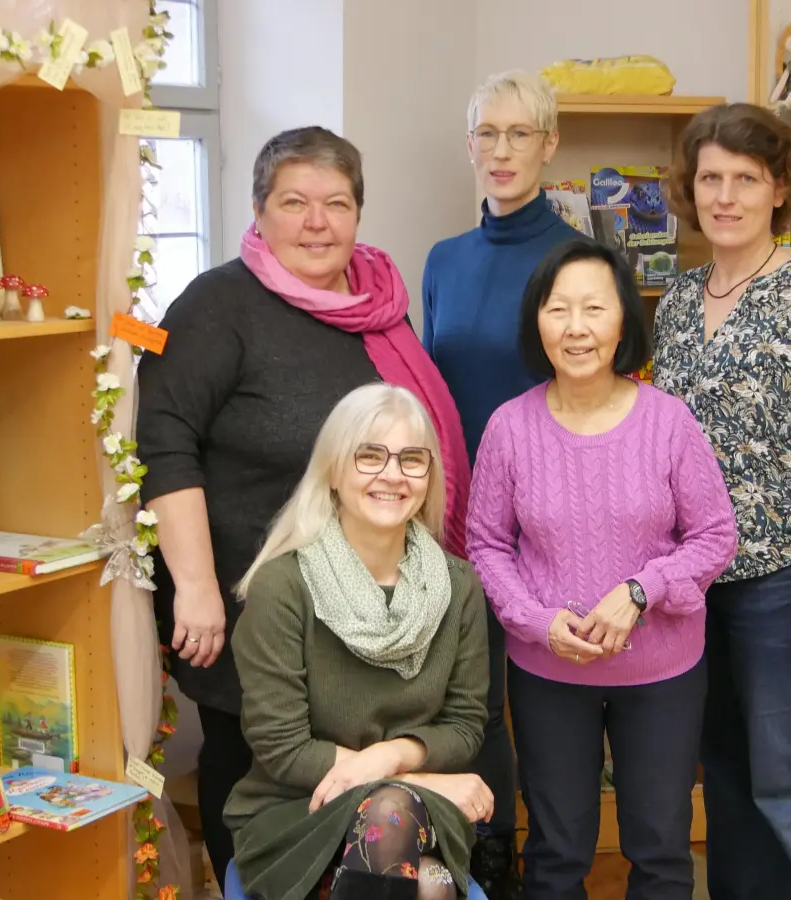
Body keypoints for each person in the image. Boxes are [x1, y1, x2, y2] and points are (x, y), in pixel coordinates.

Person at [135, 126, 472, 883]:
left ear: (358, 212)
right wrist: (193, 585)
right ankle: (256, 881)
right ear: (259, 211)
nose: (316, 222)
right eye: (294, 202)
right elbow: (163, 441)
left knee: (353, 767)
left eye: (336, 203)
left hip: (365, 600)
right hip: (251, 592)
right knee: (253, 760)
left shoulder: (377, 303)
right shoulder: (217, 305)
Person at [465, 239, 738, 899]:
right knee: (556, 853)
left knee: (661, 848)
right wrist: (535, 621)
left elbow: (714, 535)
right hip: (550, 672)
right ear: (537, 322)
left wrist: (642, 592)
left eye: (594, 308)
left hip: (663, 673)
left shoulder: (669, 423)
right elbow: (485, 543)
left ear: (623, 323)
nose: (576, 327)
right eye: (559, 310)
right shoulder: (509, 428)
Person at [649, 102, 791, 900]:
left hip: (782, 587)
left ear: (779, 189)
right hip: (693, 587)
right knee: (730, 779)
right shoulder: (675, 305)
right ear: (691, 188)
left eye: (746, 179)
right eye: (711, 177)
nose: (726, 195)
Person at [224, 382, 491, 900]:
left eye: (412, 459)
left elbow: (464, 727)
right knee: (425, 886)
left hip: (422, 817)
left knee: (409, 857)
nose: (392, 474)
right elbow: (283, 748)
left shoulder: (458, 587)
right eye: (370, 456)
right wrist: (422, 782)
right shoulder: (283, 586)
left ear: (430, 475)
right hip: (298, 810)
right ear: (332, 468)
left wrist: (388, 759)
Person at [420, 70, 582, 896]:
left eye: (521, 134)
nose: (503, 150)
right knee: (472, 703)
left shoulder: (576, 261)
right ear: (470, 146)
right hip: (457, 522)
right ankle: (488, 857)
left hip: (551, 518)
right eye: (488, 133)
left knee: (551, 709)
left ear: (550, 145)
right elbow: (431, 393)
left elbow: (597, 396)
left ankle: (551, 868)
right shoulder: (444, 261)